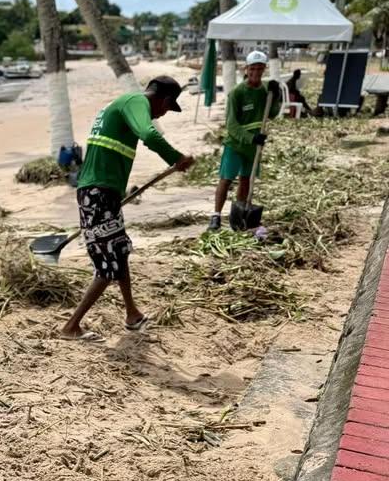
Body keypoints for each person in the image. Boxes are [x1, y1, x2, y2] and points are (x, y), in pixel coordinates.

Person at [59, 76, 195, 341]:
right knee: (107, 265)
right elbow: (149, 135)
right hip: (97, 194)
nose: (163, 114)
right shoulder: (136, 102)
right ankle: (71, 326)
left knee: (120, 251)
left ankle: (132, 314)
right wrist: (176, 158)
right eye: (168, 108)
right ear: (164, 100)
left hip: (104, 192)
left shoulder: (125, 103)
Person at [209, 50, 281, 231]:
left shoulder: (264, 91)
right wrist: (250, 137)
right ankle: (216, 216)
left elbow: (272, 113)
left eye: (259, 69)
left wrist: (276, 96)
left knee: (246, 180)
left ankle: (239, 215)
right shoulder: (237, 93)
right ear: (246, 69)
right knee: (226, 179)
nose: (256, 72)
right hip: (236, 144)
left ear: (264, 69)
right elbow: (231, 125)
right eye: (252, 69)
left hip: (254, 146)